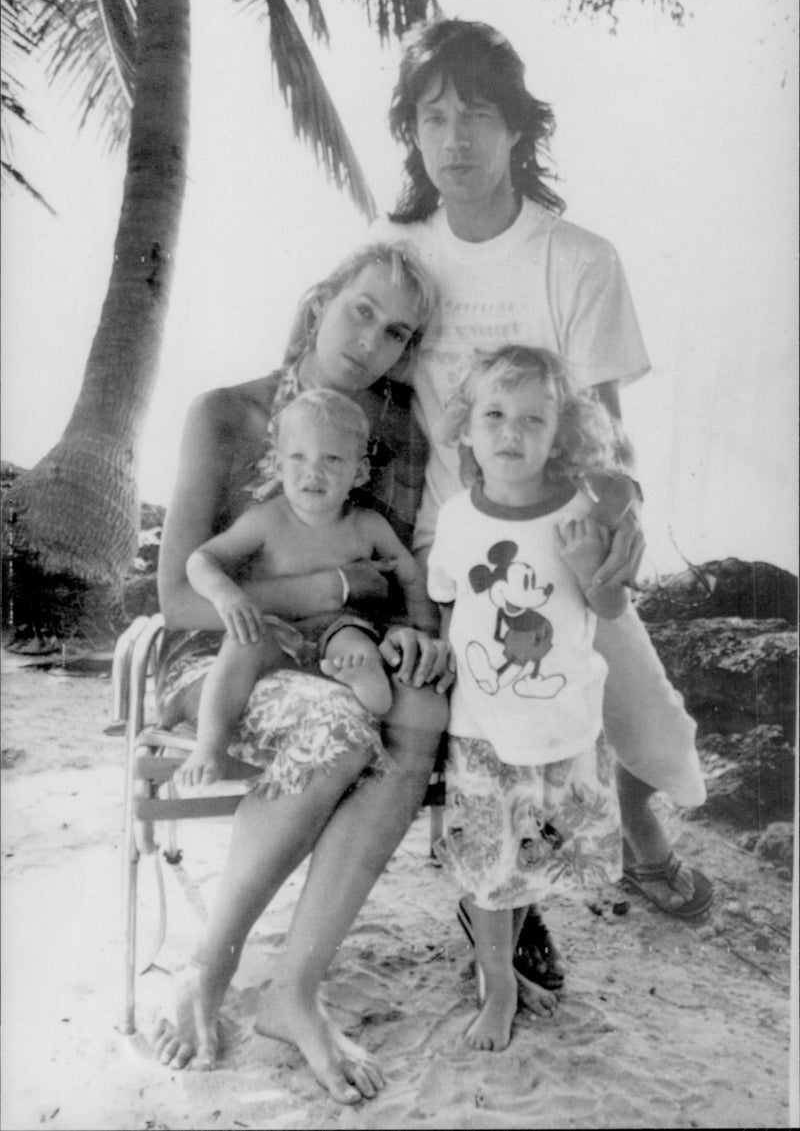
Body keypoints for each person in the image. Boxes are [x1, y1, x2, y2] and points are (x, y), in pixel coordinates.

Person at [367, 18, 712, 962]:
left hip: (563, 544)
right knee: (487, 728)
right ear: (414, 133)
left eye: (479, 115)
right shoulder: (398, 250)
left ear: (519, 130)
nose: (456, 140)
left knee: (660, 737)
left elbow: (603, 426)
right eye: (434, 118)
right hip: (449, 548)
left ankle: (640, 845)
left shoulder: (580, 258)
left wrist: (621, 514)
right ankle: (515, 917)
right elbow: (350, 370)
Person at [153, 241, 452, 1103]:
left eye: (397, 332)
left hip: (332, 651)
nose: (372, 341)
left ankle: (295, 990)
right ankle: (211, 968)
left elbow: (392, 573)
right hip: (221, 656)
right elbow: (179, 595)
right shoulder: (225, 413)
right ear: (323, 299)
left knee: (420, 708)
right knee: (333, 727)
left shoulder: (392, 439)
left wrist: (412, 638)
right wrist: (322, 587)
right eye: (362, 310)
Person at [428, 344, 630, 1051]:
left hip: (564, 726)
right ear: (468, 428)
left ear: (559, 432)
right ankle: (500, 985)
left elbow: (607, 603)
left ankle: (504, 966)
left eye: (533, 419)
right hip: (484, 727)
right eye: (494, 414)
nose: (511, 432)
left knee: (536, 858)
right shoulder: (457, 517)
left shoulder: (579, 511)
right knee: (491, 869)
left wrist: (585, 563)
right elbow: (448, 601)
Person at [178, 388, 438, 788]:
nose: (312, 472)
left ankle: (364, 680)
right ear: (278, 465)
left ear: (359, 472)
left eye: (331, 459)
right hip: (276, 630)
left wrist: (423, 625)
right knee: (240, 645)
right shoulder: (266, 520)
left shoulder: (367, 525)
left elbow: (408, 572)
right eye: (298, 457)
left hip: (340, 628)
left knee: (358, 643)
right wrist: (225, 594)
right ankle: (210, 746)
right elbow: (201, 560)